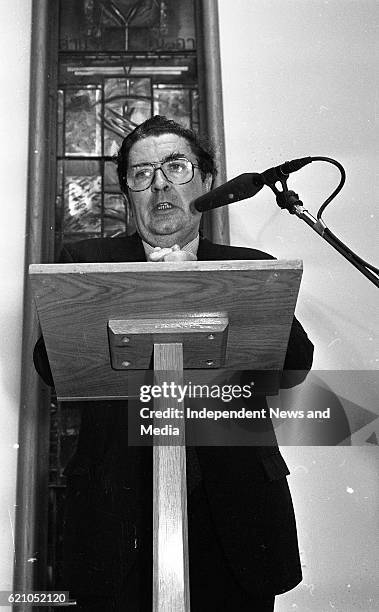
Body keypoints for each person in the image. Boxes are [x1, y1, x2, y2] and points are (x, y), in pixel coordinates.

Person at [34, 115, 314, 611]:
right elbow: (52, 366)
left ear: (206, 182)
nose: (159, 183)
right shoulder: (87, 261)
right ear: (129, 194)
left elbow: (293, 365)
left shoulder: (250, 265)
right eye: (141, 174)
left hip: (234, 511)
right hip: (116, 508)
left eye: (176, 167)